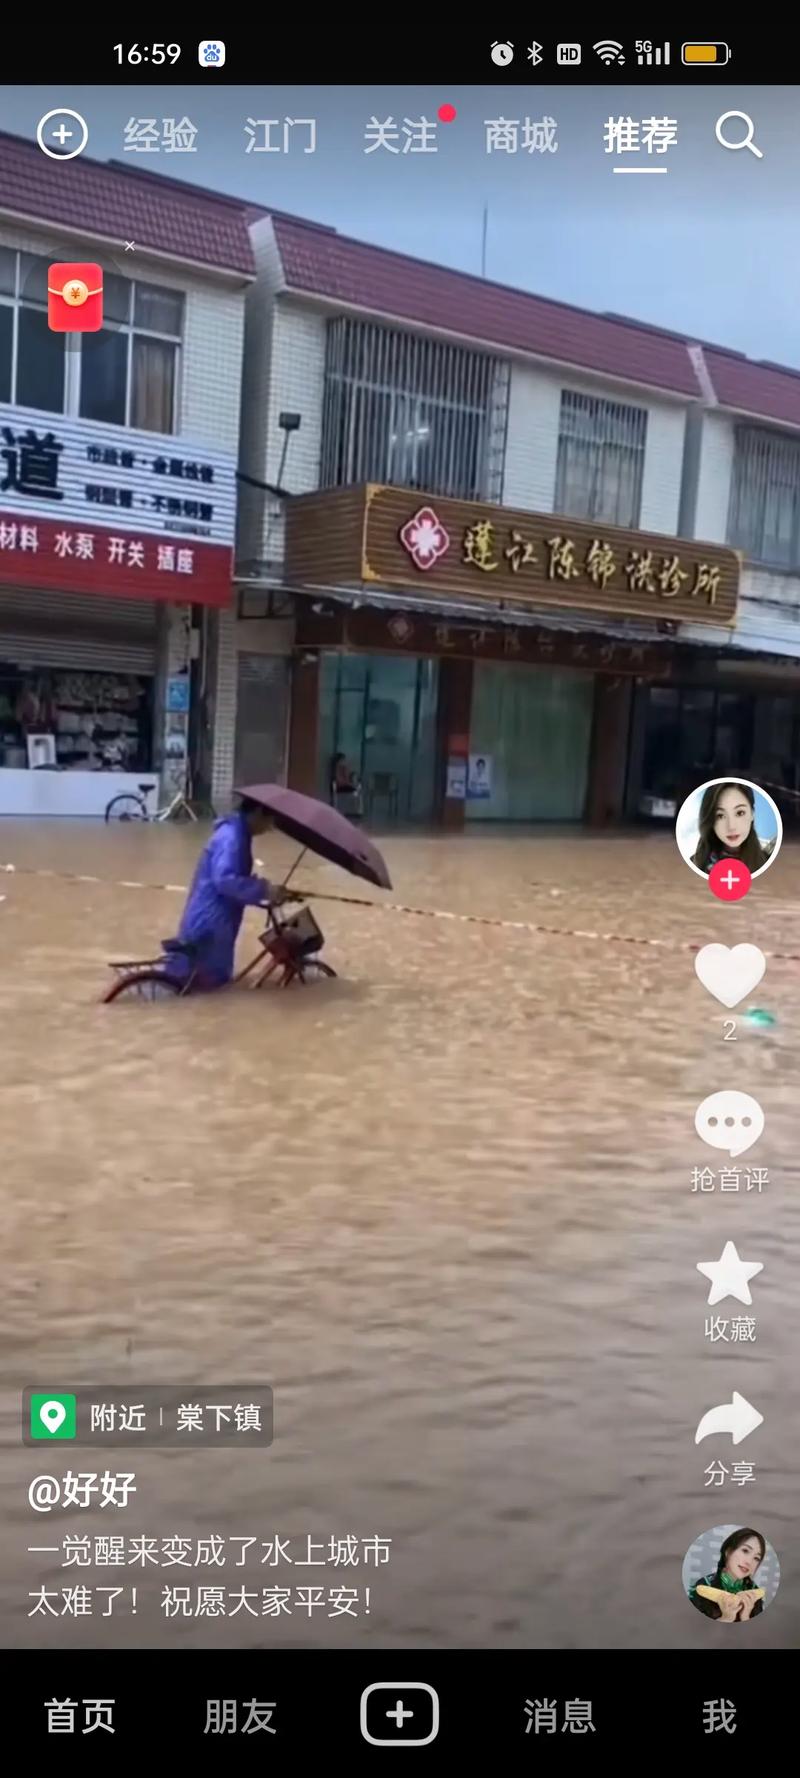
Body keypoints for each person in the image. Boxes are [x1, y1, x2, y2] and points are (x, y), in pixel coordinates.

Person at [164, 795, 290, 989]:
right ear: (257, 813)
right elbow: (226, 880)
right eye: (269, 820)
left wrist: (265, 892)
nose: (269, 827)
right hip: (212, 918)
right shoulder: (233, 838)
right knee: (209, 984)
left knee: (196, 981)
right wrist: (264, 889)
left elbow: (233, 879)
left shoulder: (235, 833)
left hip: (213, 913)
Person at [691, 781, 774, 875]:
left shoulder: (769, 863)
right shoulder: (695, 864)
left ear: (752, 814)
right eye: (720, 816)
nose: (731, 826)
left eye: (740, 813)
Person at [688, 1528, 767, 1621]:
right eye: (745, 1551)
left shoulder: (755, 1593)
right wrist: (726, 1618)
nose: (749, 1562)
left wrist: (745, 1617)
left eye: (756, 1558)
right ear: (728, 1552)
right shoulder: (703, 1586)